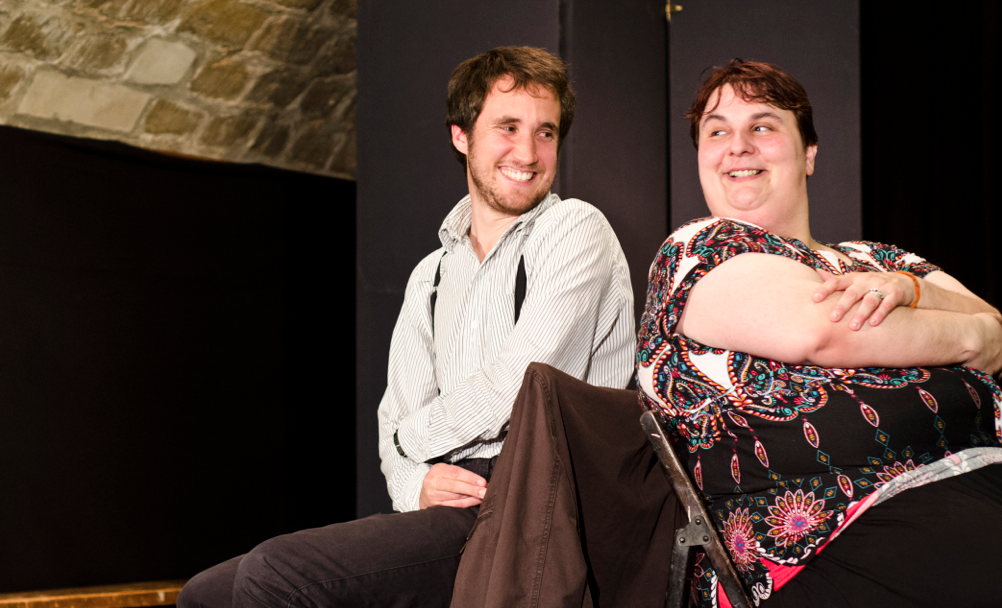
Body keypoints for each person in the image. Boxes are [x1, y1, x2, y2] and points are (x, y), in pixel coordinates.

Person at [177, 46, 636, 608]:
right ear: (461, 136)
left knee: (273, 573)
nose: (528, 152)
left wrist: (409, 441)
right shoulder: (432, 275)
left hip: (539, 504)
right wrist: (412, 481)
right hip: (455, 504)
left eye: (546, 132)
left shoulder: (574, 229)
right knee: (206, 594)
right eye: (508, 127)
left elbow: (518, 388)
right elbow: (393, 413)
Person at [636, 59, 1002, 608]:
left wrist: (910, 290)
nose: (737, 146)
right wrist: (970, 337)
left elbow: (996, 326)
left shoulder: (879, 258)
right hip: (824, 541)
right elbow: (827, 331)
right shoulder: (698, 250)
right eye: (717, 132)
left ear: (808, 153)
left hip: (968, 488)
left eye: (762, 126)